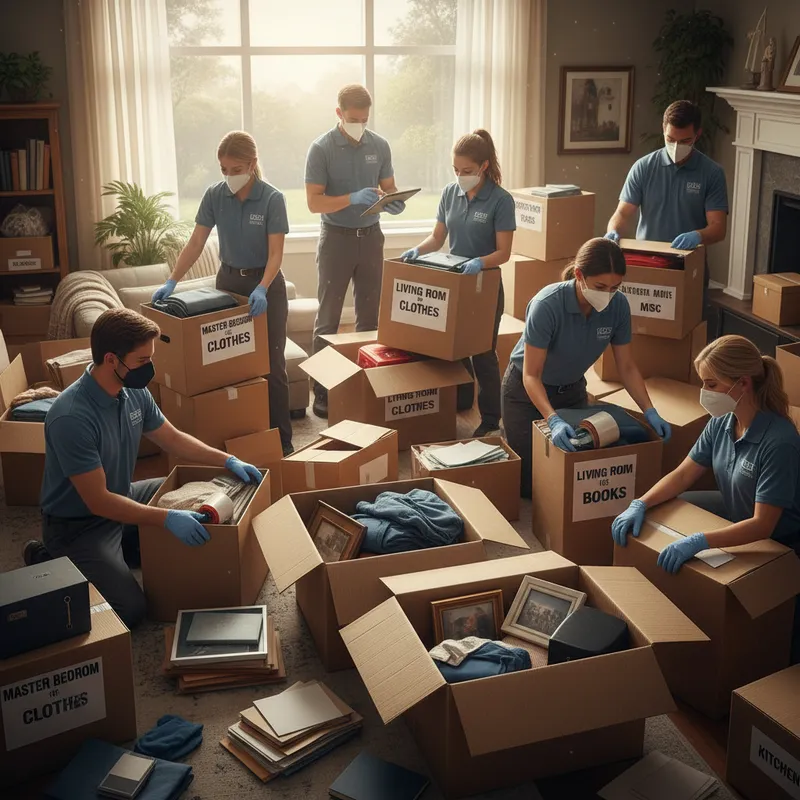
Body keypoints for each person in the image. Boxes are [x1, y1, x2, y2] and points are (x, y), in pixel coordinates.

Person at [22, 309, 263, 629]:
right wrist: (166, 518)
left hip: (124, 495)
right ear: (111, 360)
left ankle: (128, 548)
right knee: (131, 610)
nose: (149, 367)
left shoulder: (133, 390)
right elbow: (99, 502)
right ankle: (51, 557)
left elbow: (173, 439)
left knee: (202, 490)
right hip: (79, 525)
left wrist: (226, 460)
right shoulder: (71, 418)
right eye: (141, 360)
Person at [151, 131, 293, 456]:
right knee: (228, 364)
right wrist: (172, 280)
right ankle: (237, 437)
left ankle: (282, 441)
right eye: (224, 170)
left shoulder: (272, 199)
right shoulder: (214, 195)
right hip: (228, 283)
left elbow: (276, 254)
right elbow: (196, 242)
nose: (229, 176)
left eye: (236, 169)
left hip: (265, 285)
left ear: (252, 164)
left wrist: (262, 288)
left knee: (272, 364)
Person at [501, 237, 672, 497]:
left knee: (577, 472)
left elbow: (626, 366)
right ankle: (510, 430)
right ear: (579, 275)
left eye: (615, 287)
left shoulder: (618, 306)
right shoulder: (547, 305)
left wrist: (649, 411)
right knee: (533, 486)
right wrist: (553, 420)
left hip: (572, 389)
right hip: (526, 393)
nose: (607, 294)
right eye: (600, 286)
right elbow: (531, 375)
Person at [611, 335, 800, 569]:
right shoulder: (722, 422)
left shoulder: (779, 443)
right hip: (736, 511)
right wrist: (640, 503)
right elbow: (682, 475)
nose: (703, 392)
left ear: (743, 383)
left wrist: (701, 541)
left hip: (782, 544)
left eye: (711, 385)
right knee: (663, 509)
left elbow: (763, 525)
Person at [400, 129, 515, 437]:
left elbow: (504, 252)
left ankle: (491, 418)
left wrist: (479, 262)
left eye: (467, 171)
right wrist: (418, 250)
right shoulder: (451, 192)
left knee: (483, 352)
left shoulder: (501, 200)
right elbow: (438, 237)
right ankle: (460, 402)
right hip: (454, 280)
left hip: (483, 285)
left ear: (484, 167)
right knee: (454, 348)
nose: (460, 175)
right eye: (456, 170)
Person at [305, 84, 403, 419]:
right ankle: (323, 393)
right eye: (353, 119)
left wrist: (393, 200)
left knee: (370, 317)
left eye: (364, 119)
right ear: (339, 114)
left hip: (372, 237)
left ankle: (368, 384)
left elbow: (388, 186)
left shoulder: (380, 145)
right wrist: (351, 198)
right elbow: (313, 202)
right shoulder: (321, 149)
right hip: (336, 239)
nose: (359, 124)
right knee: (328, 319)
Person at [604, 100, 728, 300]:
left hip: (687, 264)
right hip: (647, 262)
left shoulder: (711, 173)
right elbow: (623, 213)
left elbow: (718, 227)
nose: (676, 146)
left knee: (690, 327)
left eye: (685, 141)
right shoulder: (643, 167)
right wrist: (613, 231)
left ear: (697, 134)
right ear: (663, 129)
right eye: (670, 139)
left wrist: (697, 235)